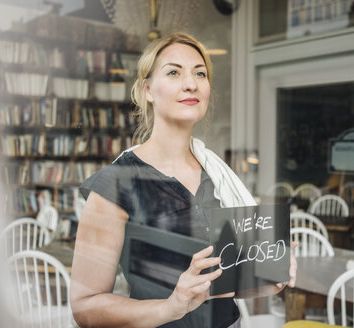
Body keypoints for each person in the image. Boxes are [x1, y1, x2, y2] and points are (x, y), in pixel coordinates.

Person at [70, 32, 297, 328]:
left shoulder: (218, 176)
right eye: (174, 72)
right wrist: (170, 307)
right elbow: (85, 307)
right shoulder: (116, 183)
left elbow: (224, 281)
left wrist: (268, 276)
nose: (191, 83)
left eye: (199, 73)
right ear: (148, 89)